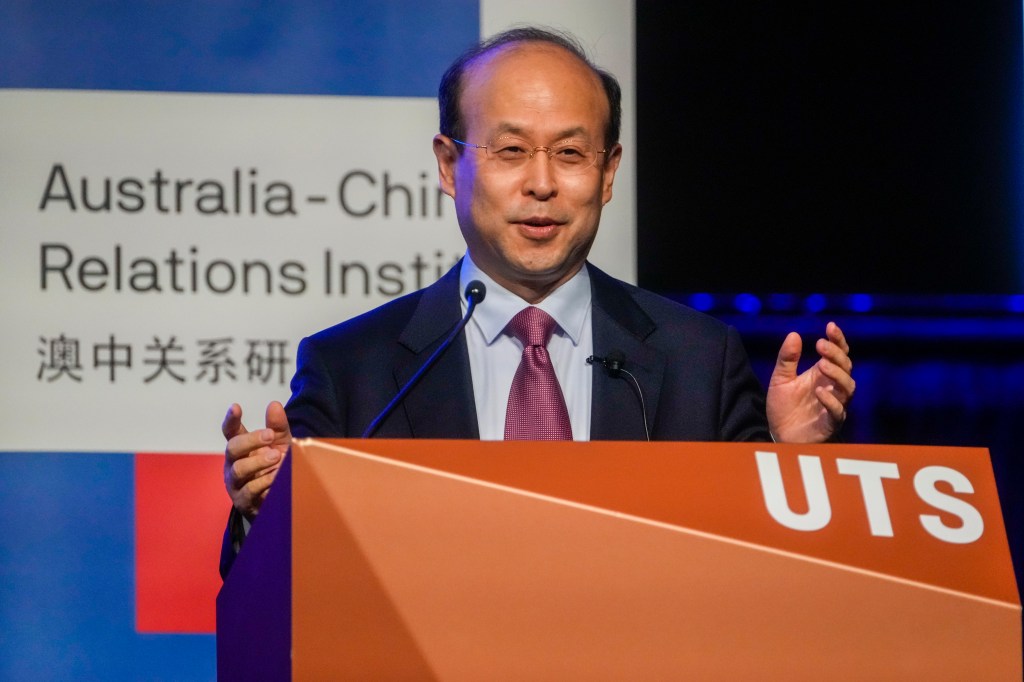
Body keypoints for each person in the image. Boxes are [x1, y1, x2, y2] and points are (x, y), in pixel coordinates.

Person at [220, 27, 854, 576]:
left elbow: (757, 582)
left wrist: (788, 461)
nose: (543, 184)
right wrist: (264, 518)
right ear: (448, 165)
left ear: (608, 174)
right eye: (512, 150)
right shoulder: (353, 368)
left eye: (572, 153)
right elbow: (277, 600)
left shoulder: (698, 360)